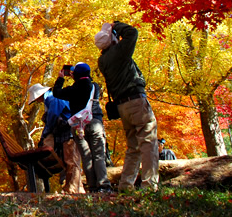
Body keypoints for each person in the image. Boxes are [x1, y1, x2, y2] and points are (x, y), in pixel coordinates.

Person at [95, 21, 158, 191]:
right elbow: (132, 33)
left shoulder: (102, 60)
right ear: (113, 39)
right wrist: (116, 25)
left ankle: (125, 185)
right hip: (136, 101)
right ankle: (149, 185)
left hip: (123, 107)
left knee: (133, 147)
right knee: (148, 142)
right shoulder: (119, 52)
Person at [51, 62, 112, 193]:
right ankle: (103, 185)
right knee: (98, 155)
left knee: (86, 157)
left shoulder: (73, 89)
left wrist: (61, 78)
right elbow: (87, 84)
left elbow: (56, 93)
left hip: (79, 126)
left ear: (76, 75)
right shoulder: (94, 86)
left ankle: (92, 186)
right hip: (95, 122)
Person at [27, 83, 83, 194]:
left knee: (71, 160)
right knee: (70, 160)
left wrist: (44, 135)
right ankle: (77, 188)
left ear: (39, 96)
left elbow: (52, 120)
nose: (38, 102)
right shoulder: (50, 101)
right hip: (65, 132)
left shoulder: (53, 99)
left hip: (68, 132)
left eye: (36, 99)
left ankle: (72, 188)